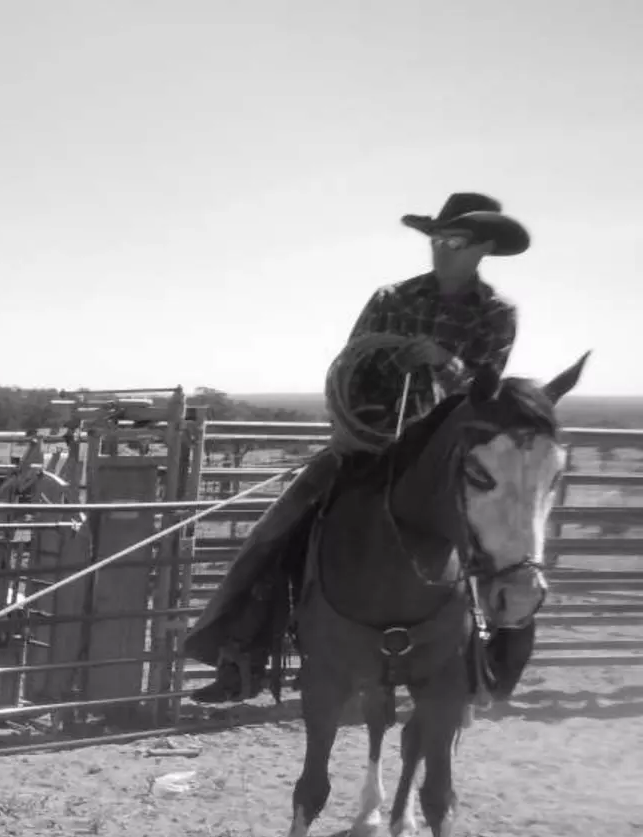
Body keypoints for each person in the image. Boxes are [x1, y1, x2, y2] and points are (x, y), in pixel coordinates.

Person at [185, 192, 529, 702]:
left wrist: (442, 360)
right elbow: (353, 362)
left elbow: (485, 395)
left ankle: (493, 659)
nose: (441, 249)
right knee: (279, 526)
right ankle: (241, 653)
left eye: (454, 241)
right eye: (436, 239)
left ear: (483, 248)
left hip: (445, 454)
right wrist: (373, 402)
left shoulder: (497, 313)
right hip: (368, 441)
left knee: (507, 540)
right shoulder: (392, 298)